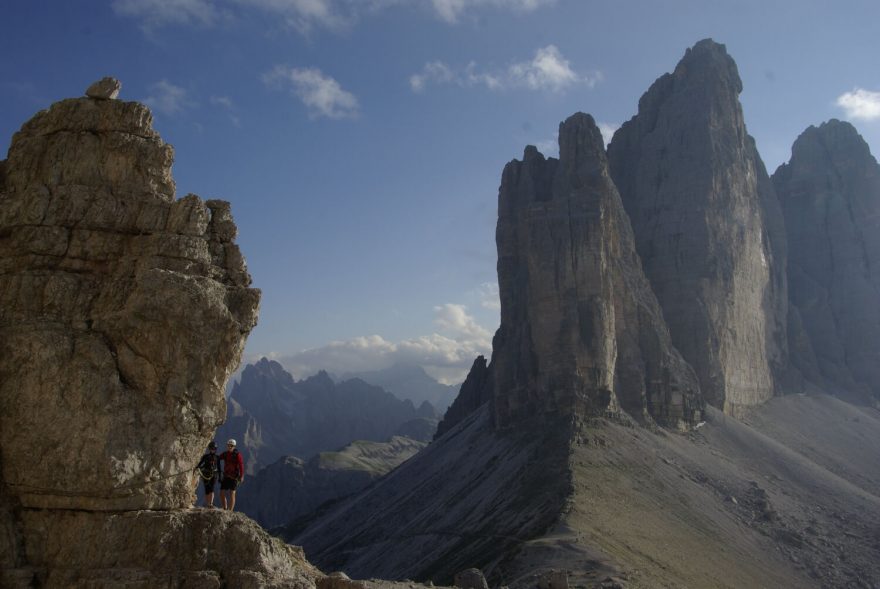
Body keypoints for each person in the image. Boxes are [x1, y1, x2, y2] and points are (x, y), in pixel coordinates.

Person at [219, 438, 245, 511]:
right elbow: (218, 458)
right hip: (226, 476)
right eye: (229, 445)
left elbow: (241, 465)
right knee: (221, 493)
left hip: (234, 477)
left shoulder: (237, 455)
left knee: (232, 493)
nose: (230, 447)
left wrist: (242, 475)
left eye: (231, 446)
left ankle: (230, 511)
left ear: (234, 446)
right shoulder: (225, 454)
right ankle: (225, 508)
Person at [194, 441, 221, 508]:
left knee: (211, 488)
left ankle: (210, 503)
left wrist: (220, 477)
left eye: (214, 448)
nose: (212, 450)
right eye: (212, 448)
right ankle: (208, 504)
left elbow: (219, 467)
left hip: (213, 475)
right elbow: (200, 464)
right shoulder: (205, 456)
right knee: (207, 489)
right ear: (209, 449)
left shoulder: (217, 457)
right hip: (206, 474)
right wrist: (197, 468)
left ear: (215, 449)